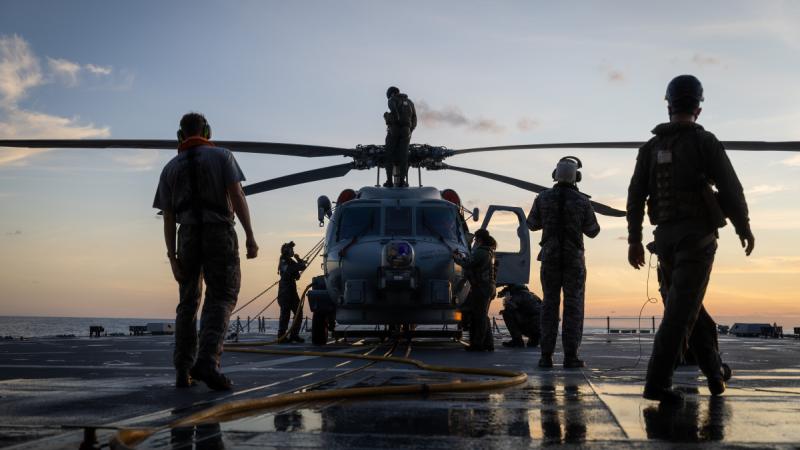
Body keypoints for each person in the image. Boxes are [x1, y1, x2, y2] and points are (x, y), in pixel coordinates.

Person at [627, 75, 754, 403]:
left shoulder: (650, 149)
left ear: (668, 106)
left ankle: (715, 377)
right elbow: (731, 188)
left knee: (688, 308)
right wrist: (743, 228)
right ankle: (656, 384)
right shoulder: (705, 142)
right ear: (698, 107)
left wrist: (634, 241)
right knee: (680, 314)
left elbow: (635, 196)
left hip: (664, 242)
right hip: (696, 241)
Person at [153, 112, 259, 391]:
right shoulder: (223, 157)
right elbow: (237, 196)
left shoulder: (169, 168)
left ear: (180, 135)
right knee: (222, 295)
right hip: (218, 232)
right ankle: (208, 362)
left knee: (187, 302)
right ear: (208, 131)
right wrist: (249, 235)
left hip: (186, 236)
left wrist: (172, 257)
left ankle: (182, 370)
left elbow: (167, 216)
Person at [527, 156, 600, 368]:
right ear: (576, 177)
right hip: (573, 260)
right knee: (573, 306)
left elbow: (531, 224)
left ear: (555, 175)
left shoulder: (542, 198)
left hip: (549, 258)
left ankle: (546, 356)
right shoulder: (582, 201)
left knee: (549, 305)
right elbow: (593, 231)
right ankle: (570, 356)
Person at [454, 228, 497, 351]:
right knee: (482, 316)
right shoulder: (489, 252)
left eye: (476, 239)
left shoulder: (481, 252)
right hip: (488, 287)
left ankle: (478, 344)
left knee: (479, 317)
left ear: (480, 239)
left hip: (481, 288)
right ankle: (488, 343)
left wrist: (456, 258)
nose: (474, 242)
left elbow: (468, 263)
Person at [383, 86, 417, 188]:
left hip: (394, 130)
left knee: (389, 155)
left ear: (391, 94)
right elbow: (414, 118)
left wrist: (390, 116)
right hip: (406, 131)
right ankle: (402, 181)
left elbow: (392, 106)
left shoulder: (393, 99)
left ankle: (389, 181)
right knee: (404, 156)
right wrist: (410, 130)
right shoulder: (410, 102)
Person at [277, 241, 307, 343]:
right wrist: (299, 264)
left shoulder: (291, 260)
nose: (293, 251)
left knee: (299, 313)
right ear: (287, 251)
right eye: (291, 249)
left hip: (292, 290)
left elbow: (302, 268)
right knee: (285, 314)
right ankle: (281, 336)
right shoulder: (283, 260)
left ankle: (294, 335)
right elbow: (290, 270)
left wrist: (298, 259)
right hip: (285, 291)